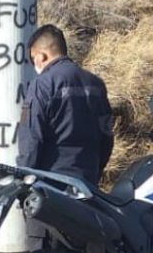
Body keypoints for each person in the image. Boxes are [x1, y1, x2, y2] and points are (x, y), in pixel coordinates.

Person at [17, 24, 114, 185]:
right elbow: (107, 136)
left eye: (34, 58)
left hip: (52, 184)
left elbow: (32, 138)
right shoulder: (96, 84)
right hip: (87, 183)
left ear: (42, 56)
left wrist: (23, 178)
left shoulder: (43, 84)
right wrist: (95, 172)